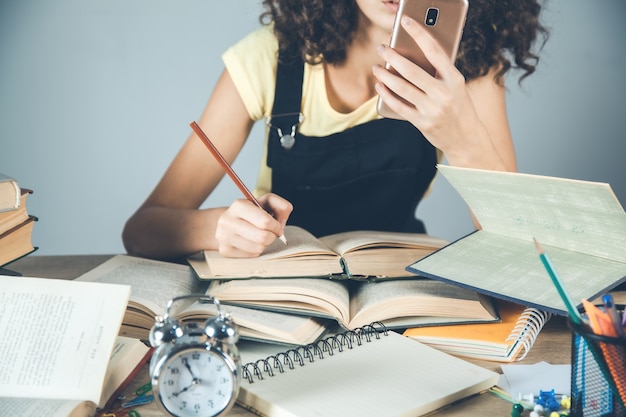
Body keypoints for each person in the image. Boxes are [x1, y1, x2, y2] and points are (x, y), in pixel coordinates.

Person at [122, 0, 547, 261]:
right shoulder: (267, 59)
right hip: (284, 292)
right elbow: (141, 232)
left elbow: (522, 252)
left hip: (399, 293)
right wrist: (219, 229)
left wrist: (464, 137)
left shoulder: (471, 72)